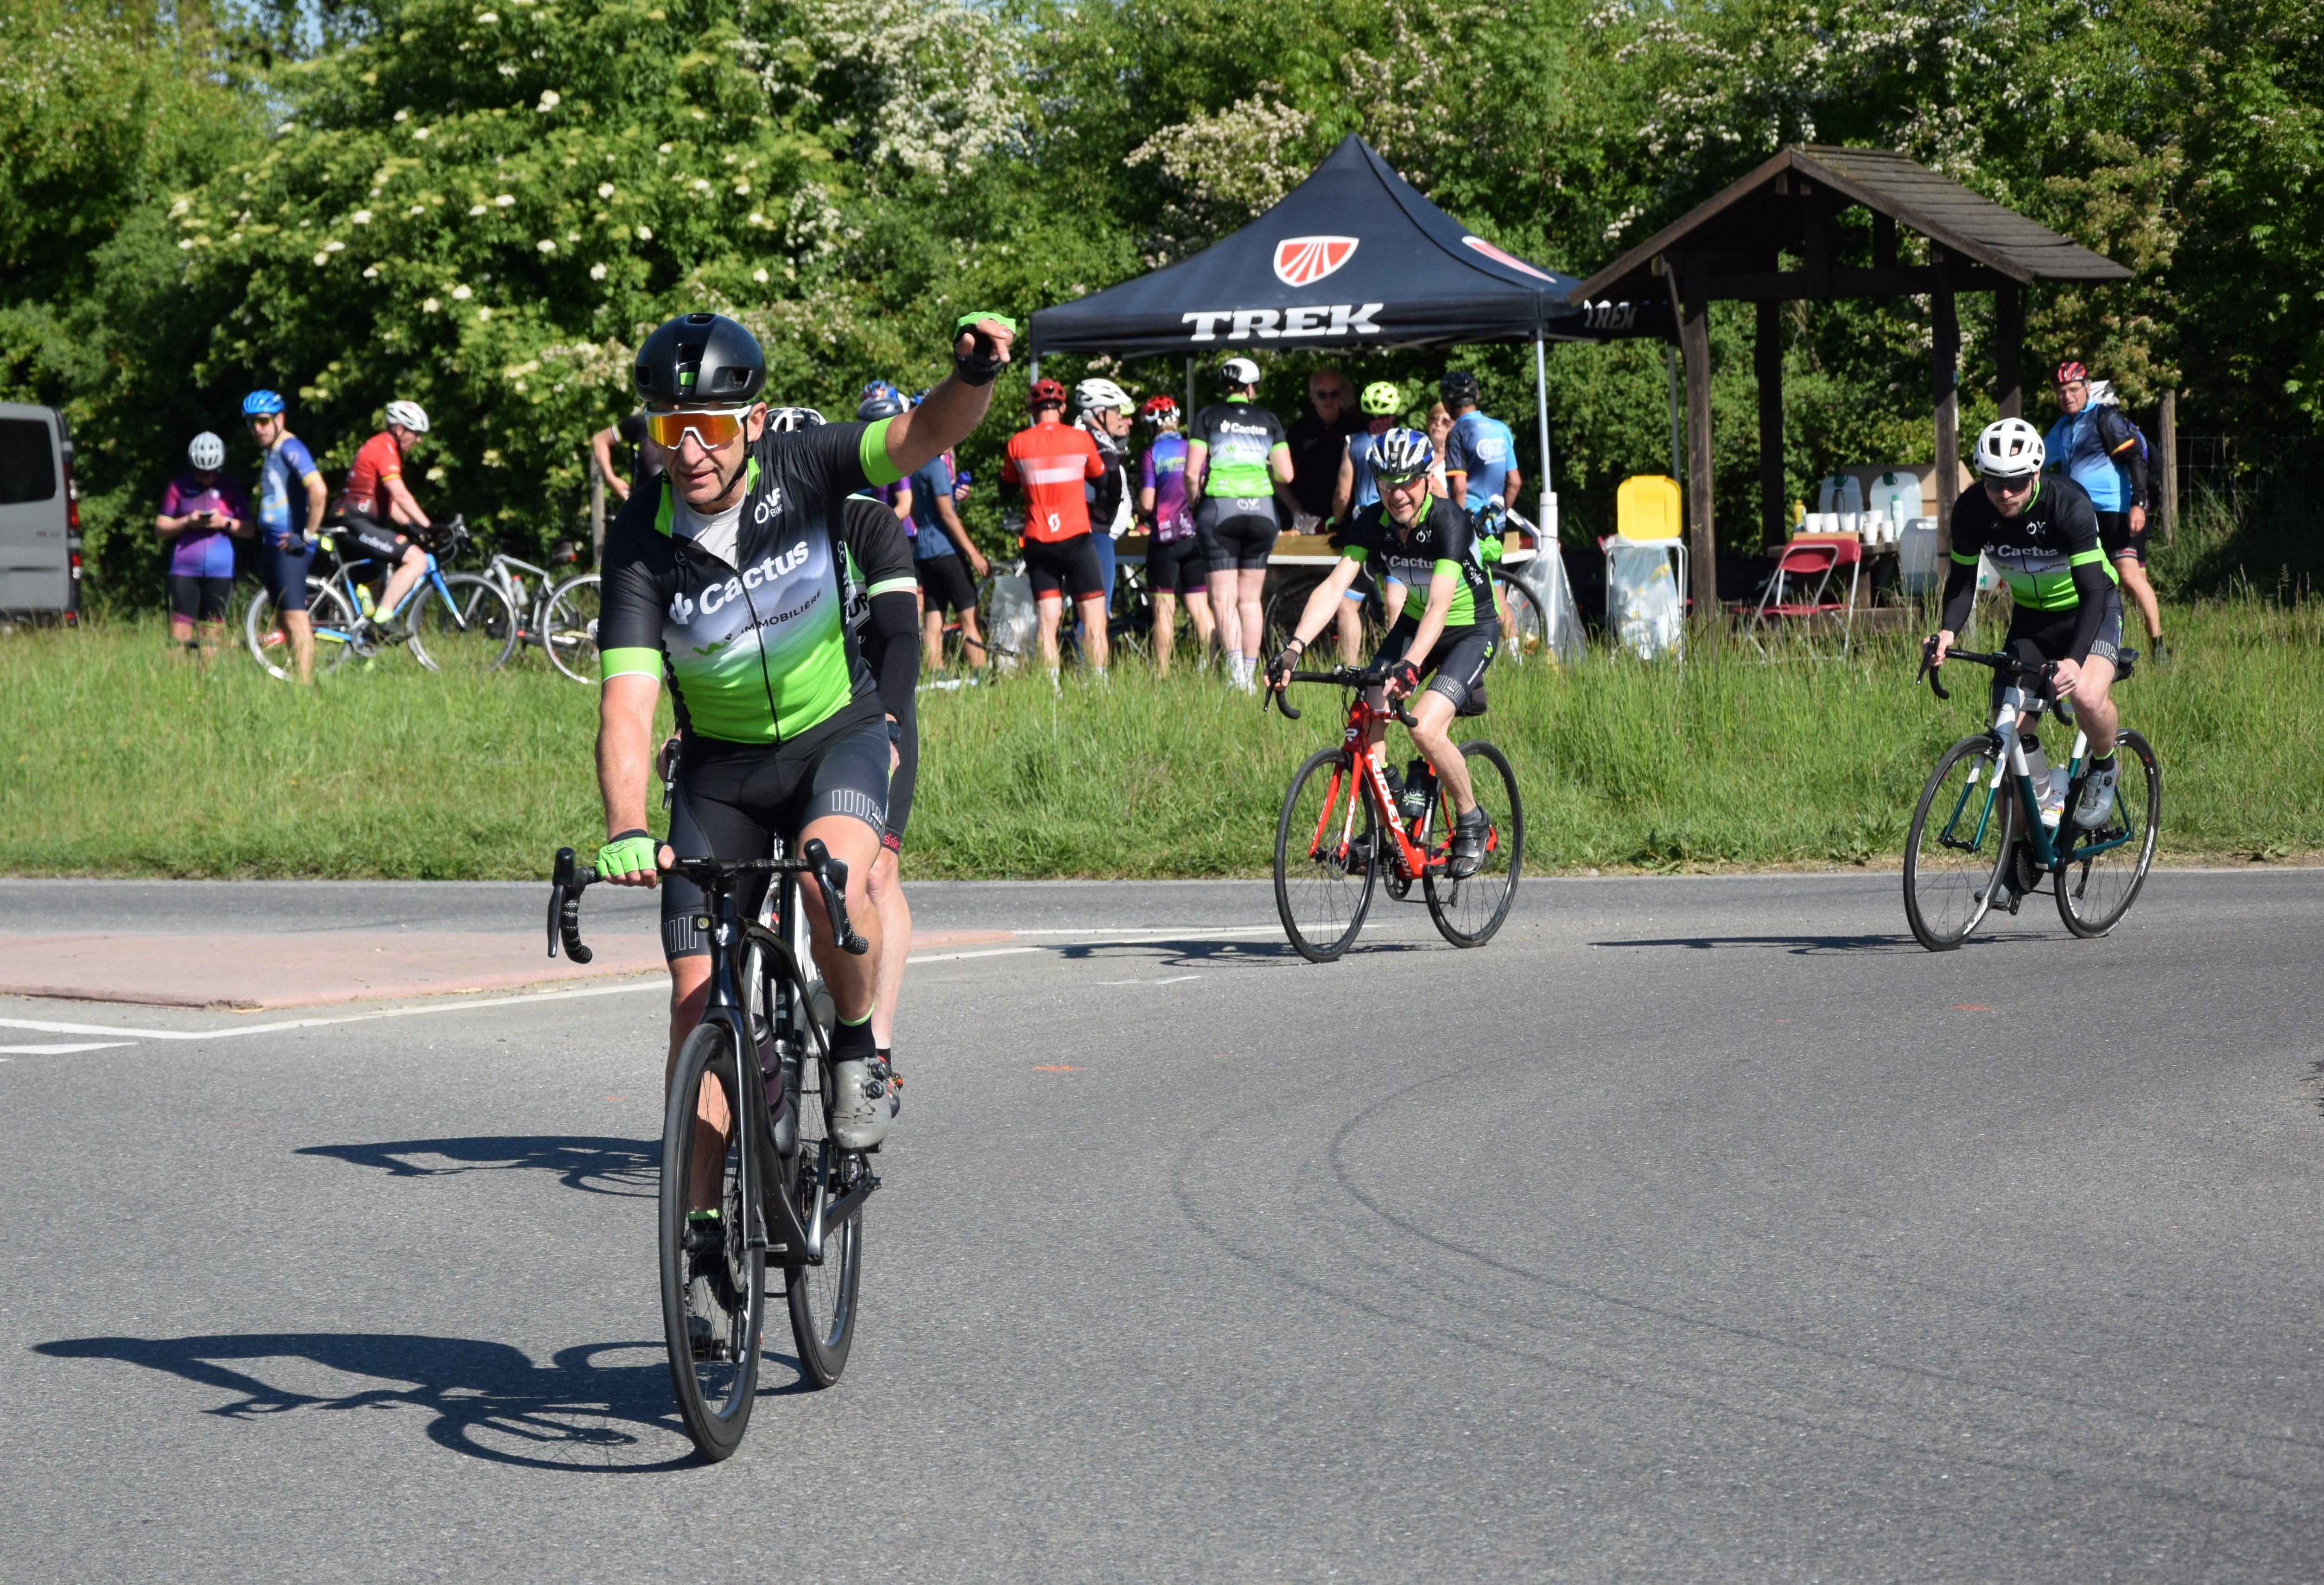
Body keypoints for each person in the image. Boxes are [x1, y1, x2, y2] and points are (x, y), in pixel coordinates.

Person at [592, 308, 1016, 1173]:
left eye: (710, 428)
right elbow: (627, 702)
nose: (690, 451)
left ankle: (856, 1045)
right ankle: (699, 1227)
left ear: (753, 421)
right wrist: (625, 824)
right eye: (670, 430)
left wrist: (972, 377)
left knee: (833, 885)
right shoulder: (639, 538)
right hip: (719, 773)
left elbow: (920, 433)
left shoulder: (807, 462)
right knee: (694, 999)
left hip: (835, 738)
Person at [1265, 427, 1498, 878]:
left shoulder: (1448, 521)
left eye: (1407, 482)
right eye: (1387, 483)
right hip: (1414, 624)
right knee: (1367, 710)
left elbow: (1440, 605)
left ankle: (1473, 818)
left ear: (1425, 479)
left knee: (1425, 728)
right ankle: (1390, 818)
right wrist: (1294, 649)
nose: (1397, 494)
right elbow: (1335, 585)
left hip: (1469, 629)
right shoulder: (1373, 521)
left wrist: (1411, 666)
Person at [1929, 416, 2126, 846]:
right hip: (2032, 621)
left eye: (2016, 482)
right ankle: (2018, 853)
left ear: (2036, 473)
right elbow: (1962, 580)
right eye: (1994, 482)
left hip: (2090, 610)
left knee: (2086, 696)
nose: (2005, 493)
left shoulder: (2067, 504)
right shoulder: (1971, 510)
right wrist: (1947, 632)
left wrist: (2074, 660)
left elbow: (2093, 590)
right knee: (2007, 733)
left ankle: (2106, 764)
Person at [1187, 356, 1299, 690]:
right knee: (1250, 600)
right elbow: (1287, 474)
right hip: (1263, 512)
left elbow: (1192, 473)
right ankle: (1250, 678)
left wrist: (1194, 501)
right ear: (1251, 388)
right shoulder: (1268, 419)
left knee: (1224, 599)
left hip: (1220, 510)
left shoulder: (1207, 416)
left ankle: (1235, 675)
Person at [2045, 361, 2164, 663]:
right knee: (2089, 579)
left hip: (2117, 511)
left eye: (2073, 389)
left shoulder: (2104, 417)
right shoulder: (2063, 427)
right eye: (2061, 391)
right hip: (2083, 514)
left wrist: (2139, 504)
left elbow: (2135, 459)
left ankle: (2160, 649)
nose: (2067, 396)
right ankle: (2100, 646)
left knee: (2130, 578)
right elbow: (2039, 459)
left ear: (2087, 388)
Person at [999, 376, 1108, 683]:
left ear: (1033, 410)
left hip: (1039, 541)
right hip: (1076, 538)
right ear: (1062, 408)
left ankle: (1053, 689)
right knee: (1094, 617)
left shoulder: (1017, 443)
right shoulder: (1081, 439)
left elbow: (1005, 490)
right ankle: (1099, 684)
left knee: (1048, 622)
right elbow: (1102, 480)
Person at [902, 397, 989, 674]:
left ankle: (936, 674)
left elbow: (913, 510)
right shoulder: (937, 468)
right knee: (969, 616)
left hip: (924, 553)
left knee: (933, 617)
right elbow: (948, 515)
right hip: (947, 552)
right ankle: (981, 675)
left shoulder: (916, 468)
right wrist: (974, 554)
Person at [245, 389, 326, 683]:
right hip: (272, 544)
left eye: (263, 421)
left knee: (295, 617)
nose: (257, 428)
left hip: (290, 547)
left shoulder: (291, 448)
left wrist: (306, 536)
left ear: (280, 418)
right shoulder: (273, 450)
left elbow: (319, 491)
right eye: (251, 422)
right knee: (283, 617)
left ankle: (304, 691)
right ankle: (296, 680)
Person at [335, 401, 435, 630]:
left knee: (378, 581)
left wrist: (411, 526)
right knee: (417, 560)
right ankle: (382, 622)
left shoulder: (381, 446)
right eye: (416, 433)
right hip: (356, 522)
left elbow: (387, 503)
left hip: (356, 520)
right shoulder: (384, 450)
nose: (419, 440)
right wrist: (429, 526)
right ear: (400, 430)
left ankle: (365, 635)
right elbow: (401, 495)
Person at [155, 432, 253, 659]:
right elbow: (160, 528)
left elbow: (249, 530)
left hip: (221, 572)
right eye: (200, 473)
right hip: (184, 570)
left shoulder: (231, 488)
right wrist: (187, 521)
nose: (207, 478)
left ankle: (206, 680)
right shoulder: (178, 487)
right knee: (179, 636)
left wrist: (225, 522)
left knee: (210, 638)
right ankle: (176, 680)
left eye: (212, 473)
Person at [1136, 394, 1212, 674]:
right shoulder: (1195, 449)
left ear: (1152, 426)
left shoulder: (1152, 454)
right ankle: (1215, 669)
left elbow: (1147, 504)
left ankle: (1162, 674)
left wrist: (1137, 507)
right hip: (1195, 537)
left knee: (1164, 612)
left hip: (1164, 541)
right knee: (1200, 608)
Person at [1439, 370, 1520, 630]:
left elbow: (1459, 486)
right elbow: (1515, 482)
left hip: (1470, 521)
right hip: (1495, 522)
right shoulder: (1501, 429)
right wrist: (1500, 513)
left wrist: (1455, 524)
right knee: (1496, 586)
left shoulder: (1458, 433)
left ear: (1447, 402)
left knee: (1461, 591)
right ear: (1477, 396)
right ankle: (1514, 647)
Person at [1075, 377, 1136, 628]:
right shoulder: (1098, 439)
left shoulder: (1076, 433)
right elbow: (1110, 470)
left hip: (1081, 532)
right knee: (1098, 611)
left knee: (1083, 611)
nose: (1119, 417)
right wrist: (1108, 506)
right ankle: (1091, 658)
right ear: (1100, 412)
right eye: (1116, 411)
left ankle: (1077, 654)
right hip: (1097, 533)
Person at [1285, 368, 1359, 532]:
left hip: (1348, 517)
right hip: (1309, 519)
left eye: (1334, 394)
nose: (1329, 400)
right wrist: (1294, 508)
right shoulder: (1298, 431)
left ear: (1341, 395)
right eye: (1322, 395)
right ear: (1312, 398)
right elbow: (1280, 473)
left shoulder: (1356, 428)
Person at [856, 389, 915, 523]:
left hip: (900, 531)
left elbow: (904, 507)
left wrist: (876, 527)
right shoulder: (873, 457)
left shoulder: (896, 457)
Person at [591, 411, 665, 504]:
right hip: (643, 504)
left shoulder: (682, 426)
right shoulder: (642, 423)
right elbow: (600, 440)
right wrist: (611, 478)